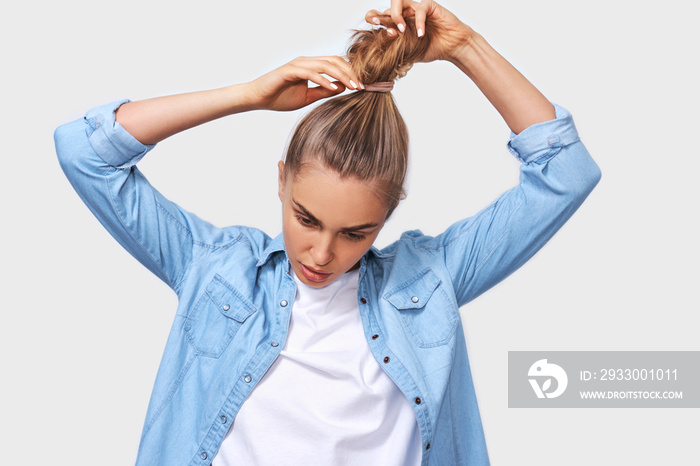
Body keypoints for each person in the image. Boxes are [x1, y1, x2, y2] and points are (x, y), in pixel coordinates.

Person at [54, 0, 601, 464]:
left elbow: (566, 172)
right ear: (280, 181)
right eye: (306, 218)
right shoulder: (215, 266)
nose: (321, 253)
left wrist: (464, 46)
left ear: (386, 219)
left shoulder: (431, 281)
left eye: (355, 233)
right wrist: (249, 94)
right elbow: (85, 153)